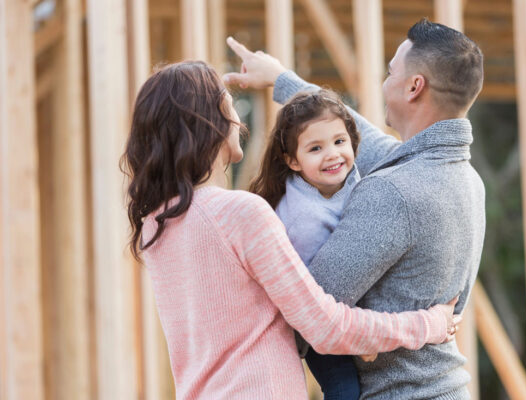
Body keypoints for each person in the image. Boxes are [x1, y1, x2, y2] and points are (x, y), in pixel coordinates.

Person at [121, 60, 461, 400]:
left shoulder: (157, 225)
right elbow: (325, 326)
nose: (237, 120)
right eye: (229, 107)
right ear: (207, 123)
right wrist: (429, 324)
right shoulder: (239, 213)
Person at [224, 18, 486, 400]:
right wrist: (282, 78)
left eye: (390, 71)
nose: (384, 83)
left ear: (414, 87)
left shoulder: (394, 192)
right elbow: (355, 135)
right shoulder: (464, 179)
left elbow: (309, 309)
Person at [250, 89, 366, 400]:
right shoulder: (302, 219)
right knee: (345, 390)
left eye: (340, 142)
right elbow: (317, 292)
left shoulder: (354, 178)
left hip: (339, 309)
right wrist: (361, 339)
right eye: (316, 148)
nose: (332, 154)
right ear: (293, 161)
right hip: (310, 321)